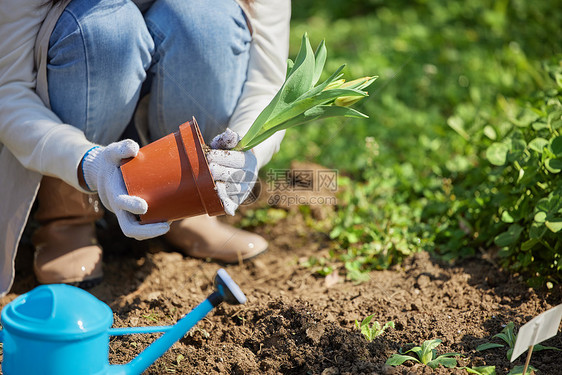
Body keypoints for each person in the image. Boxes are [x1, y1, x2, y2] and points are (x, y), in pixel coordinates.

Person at [0, 0, 291, 296]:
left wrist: (247, 151)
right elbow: (9, 92)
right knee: (107, 27)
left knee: (206, 21)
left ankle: (186, 203)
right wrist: (88, 164)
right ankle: (68, 214)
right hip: (80, 96)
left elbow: (268, 82)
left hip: (165, 112)